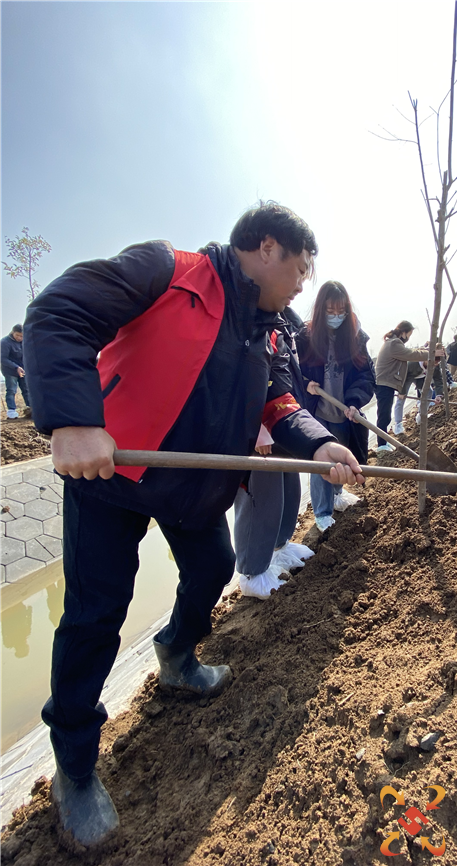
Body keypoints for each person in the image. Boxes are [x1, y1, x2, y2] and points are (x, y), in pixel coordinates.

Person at [23, 203, 365, 847]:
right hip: (111, 477)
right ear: (267, 247)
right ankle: (73, 764)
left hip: (191, 489)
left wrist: (319, 445)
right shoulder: (168, 271)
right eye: (301, 265)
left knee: (211, 569)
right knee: (96, 615)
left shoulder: (274, 330)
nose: (304, 281)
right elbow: (60, 312)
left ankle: (176, 656)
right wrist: (73, 418)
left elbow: (281, 401)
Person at [233, 306, 315, 600]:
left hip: (282, 417)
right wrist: (253, 425)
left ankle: (280, 545)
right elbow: (239, 379)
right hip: (257, 428)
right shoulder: (244, 318)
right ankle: (252, 571)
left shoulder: (283, 320)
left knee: (288, 486)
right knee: (261, 495)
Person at [296, 280, 375, 532]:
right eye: (330, 311)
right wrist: (305, 382)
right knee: (322, 462)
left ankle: (338, 495)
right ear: (321, 310)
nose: (336, 316)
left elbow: (365, 376)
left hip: (343, 410)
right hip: (316, 410)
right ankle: (321, 512)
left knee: (343, 453)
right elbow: (290, 371)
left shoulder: (355, 337)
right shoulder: (305, 337)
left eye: (341, 311)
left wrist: (353, 402)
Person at [374, 321, 428, 452]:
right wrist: (431, 354)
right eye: (409, 334)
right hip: (384, 383)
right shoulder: (394, 343)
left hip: (385, 383)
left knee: (384, 413)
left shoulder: (392, 342)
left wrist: (425, 350)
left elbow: (411, 351)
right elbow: (411, 354)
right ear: (403, 332)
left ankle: (383, 442)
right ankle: (381, 444)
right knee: (384, 415)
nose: (409, 337)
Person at [1, 324, 31, 419]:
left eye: (22, 336)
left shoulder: (25, 341)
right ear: (12, 332)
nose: (20, 338)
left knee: (26, 390)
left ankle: (30, 409)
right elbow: (3, 358)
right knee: (11, 390)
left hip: (23, 370)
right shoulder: (4, 342)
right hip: (10, 370)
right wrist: (16, 367)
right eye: (17, 335)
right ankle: (11, 412)